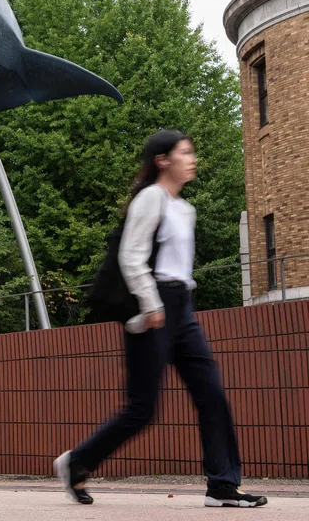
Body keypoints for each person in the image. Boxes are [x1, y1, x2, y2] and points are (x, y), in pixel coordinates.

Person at [54, 130, 267, 509]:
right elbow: (131, 256)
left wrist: (181, 302)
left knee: (212, 395)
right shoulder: (151, 199)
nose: (192, 159)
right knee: (143, 408)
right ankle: (77, 462)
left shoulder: (185, 208)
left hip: (182, 308)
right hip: (152, 307)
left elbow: (179, 267)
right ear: (162, 160)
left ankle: (222, 487)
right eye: (185, 153)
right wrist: (152, 305)